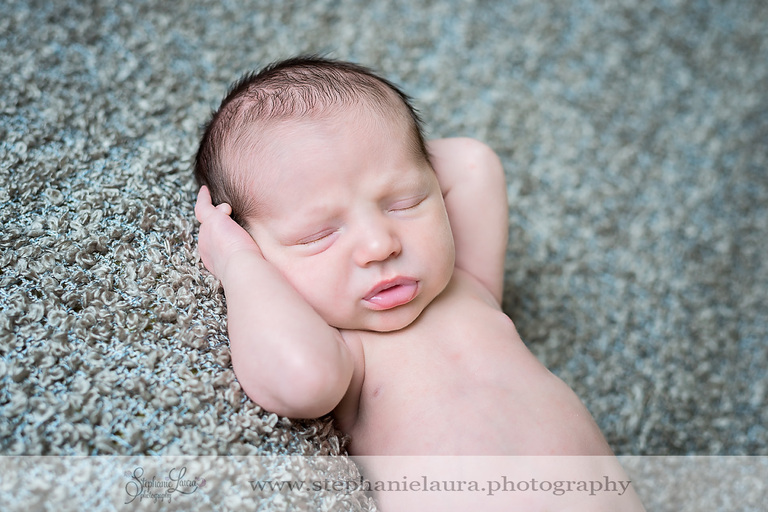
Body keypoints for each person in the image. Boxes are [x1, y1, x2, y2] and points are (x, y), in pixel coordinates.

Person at [194, 56, 644, 510]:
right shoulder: (344, 352)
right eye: (319, 234)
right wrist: (237, 261)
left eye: (403, 202)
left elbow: (473, 163)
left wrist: (389, 151)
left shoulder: (468, 284)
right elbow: (298, 381)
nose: (379, 243)